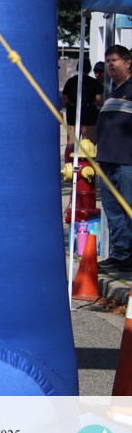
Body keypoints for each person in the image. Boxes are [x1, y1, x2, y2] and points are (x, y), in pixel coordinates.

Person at [96, 44, 132, 273]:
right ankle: (121, 254)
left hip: (127, 161)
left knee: (128, 209)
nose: (110, 64)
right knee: (113, 212)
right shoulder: (113, 92)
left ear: (128, 63)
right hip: (107, 161)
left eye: (115, 60)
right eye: (108, 60)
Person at [60, 56, 103, 144]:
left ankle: (70, 153)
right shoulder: (94, 82)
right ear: (89, 69)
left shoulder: (70, 81)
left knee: (71, 143)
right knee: (88, 144)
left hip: (73, 113)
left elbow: (63, 101)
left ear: (77, 68)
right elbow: (100, 101)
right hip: (89, 114)